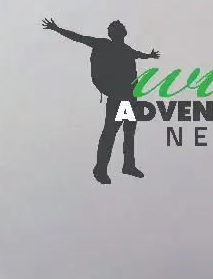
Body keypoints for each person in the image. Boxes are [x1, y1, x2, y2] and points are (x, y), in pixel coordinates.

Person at [43, 18, 160, 184]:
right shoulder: (103, 44)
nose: (120, 31)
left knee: (128, 132)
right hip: (117, 96)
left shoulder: (126, 49)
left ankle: (128, 165)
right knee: (110, 133)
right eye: (118, 29)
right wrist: (56, 28)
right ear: (114, 33)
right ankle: (101, 169)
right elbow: (78, 37)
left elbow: (138, 55)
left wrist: (149, 56)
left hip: (130, 96)